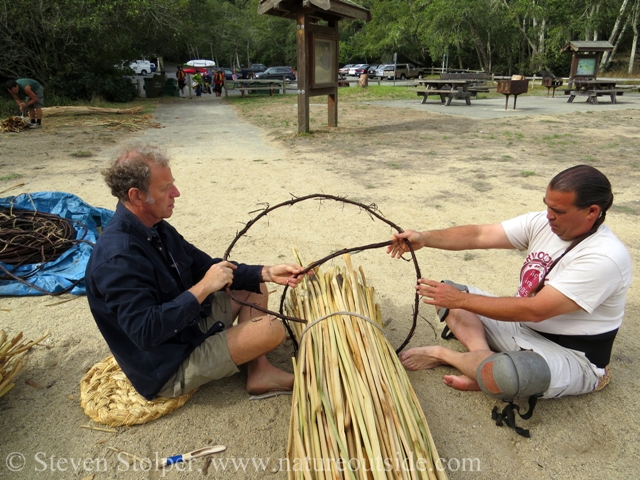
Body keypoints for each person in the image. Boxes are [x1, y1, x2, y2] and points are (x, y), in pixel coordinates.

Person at [387, 165, 631, 407]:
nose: (548, 215)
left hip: (571, 355)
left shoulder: (604, 257)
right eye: (547, 205)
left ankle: (449, 356)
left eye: (558, 210)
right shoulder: (543, 223)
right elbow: (479, 235)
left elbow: (536, 310)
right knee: (448, 292)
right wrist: (425, 238)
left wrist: (460, 300)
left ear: (591, 211)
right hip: (520, 326)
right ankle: (480, 360)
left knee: (506, 375)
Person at [85, 144, 304, 401]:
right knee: (271, 329)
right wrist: (202, 288)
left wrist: (266, 272)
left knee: (252, 285)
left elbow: (206, 267)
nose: (176, 193)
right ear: (136, 196)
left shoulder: (157, 229)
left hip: (186, 329)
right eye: (166, 188)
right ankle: (245, 360)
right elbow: (146, 332)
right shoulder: (118, 259)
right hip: (169, 364)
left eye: (172, 184)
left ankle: (259, 371)